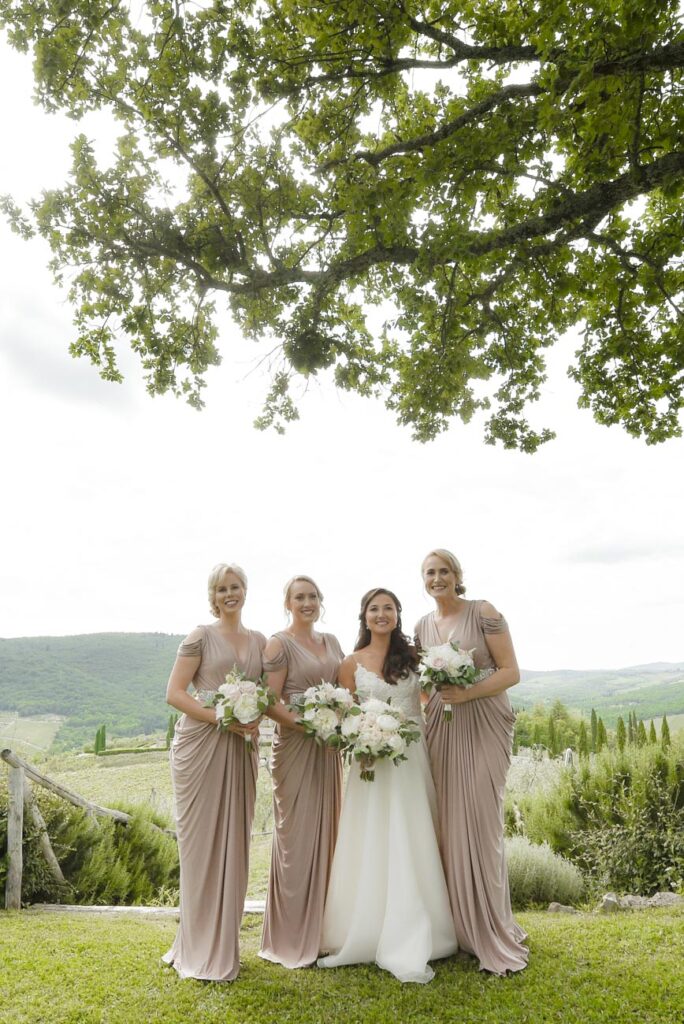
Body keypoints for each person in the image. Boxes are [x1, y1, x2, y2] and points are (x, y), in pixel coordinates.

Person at [317, 588, 458, 984]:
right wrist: (362, 738)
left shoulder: (414, 659)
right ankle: (368, 928)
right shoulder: (350, 663)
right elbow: (344, 715)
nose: (382, 615)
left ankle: (424, 927)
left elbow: (433, 697)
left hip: (412, 759)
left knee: (413, 834)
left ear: (398, 615)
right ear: (364, 617)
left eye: (389, 608)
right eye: (374, 609)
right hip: (370, 762)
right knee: (373, 837)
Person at [415, 549, 528, 975]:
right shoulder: (423, 626)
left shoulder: (484, 611)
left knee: (480, 822)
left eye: (444, 571)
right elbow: (425, 685)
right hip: (442, 728)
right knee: (447, 822)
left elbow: (510, 671)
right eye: (430, 572)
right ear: (423, 580)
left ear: (458, 575)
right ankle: (458, 928)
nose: (437, 578)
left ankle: (490, 927)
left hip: (484, 723)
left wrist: (468, 691)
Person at [162, 563, 266, 982]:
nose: (229, 594)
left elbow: (264, 694)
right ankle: (195, 945)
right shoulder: (199, 636)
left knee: (234, 843)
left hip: (242, 747)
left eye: (236, 587)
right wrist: (219, 717)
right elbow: (174, 693)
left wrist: (253, 716)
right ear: (213, 595)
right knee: (201, 846)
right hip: (201, 746)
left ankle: (224, 945)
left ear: (245, 591)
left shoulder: (260, 641)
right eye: (222, 589)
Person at [259, 575, 344, 968]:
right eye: (299, 597)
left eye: (312, 596)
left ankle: (325, 931)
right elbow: (270, 702)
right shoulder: (278, 643)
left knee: (329, 833)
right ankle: (291, 935)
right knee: (297, 839)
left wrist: (339, 722)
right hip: (295, 747)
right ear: (288, 603)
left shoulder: (332, 643)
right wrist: (308, 725)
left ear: (320, 601)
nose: (306, 602)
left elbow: (346, 693)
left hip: (328, 750)